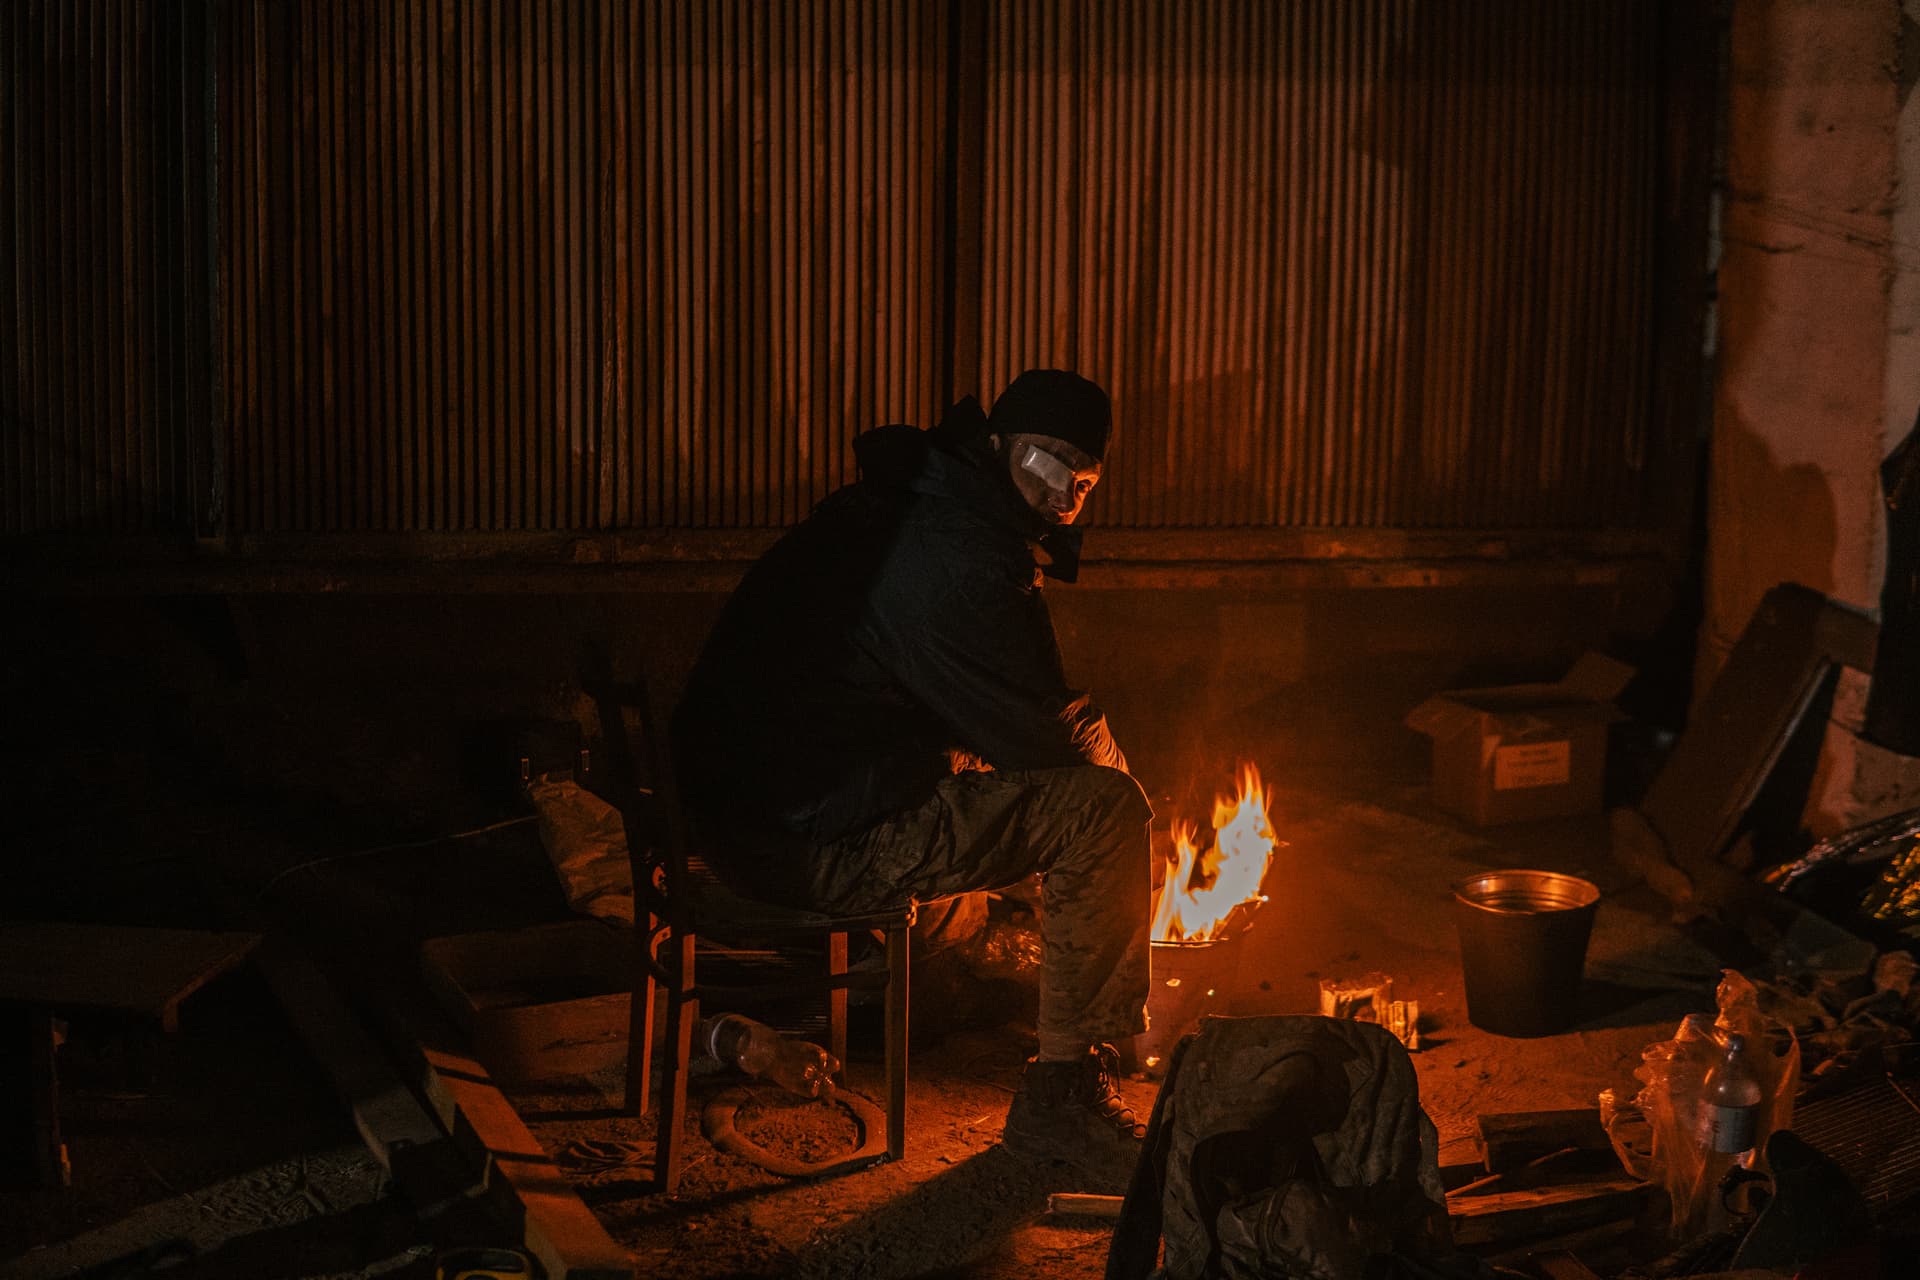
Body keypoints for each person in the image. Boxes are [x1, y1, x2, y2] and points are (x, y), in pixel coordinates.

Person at [671, 368, 1154, 1176]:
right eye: (1050, 457)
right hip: (803, 842)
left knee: (1014, 795)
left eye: (1086, 473)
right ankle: (1065, 1100)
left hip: (760, 811)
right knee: (1107, 815)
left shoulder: (913, 508)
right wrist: (1135, 802)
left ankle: (961, 993)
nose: (1066, 487)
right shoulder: (954, 550)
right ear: (998, 445)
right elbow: (1052, 738)